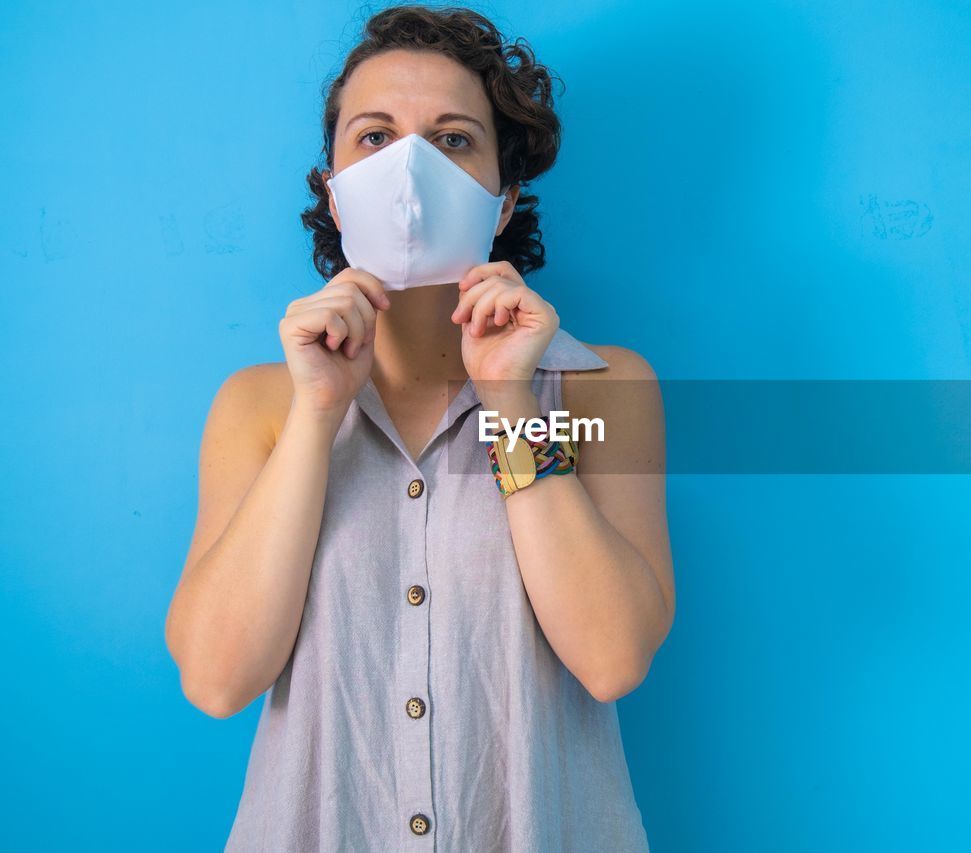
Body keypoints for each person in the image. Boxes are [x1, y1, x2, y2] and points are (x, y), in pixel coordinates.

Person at [162, 5, 673, 850]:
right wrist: (318, 410)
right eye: (373, 138)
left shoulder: (603, 386)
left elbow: (612, 655)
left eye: (453, 139)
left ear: (503, 199)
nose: (408, 169)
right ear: (333, 184)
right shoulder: (259, 404)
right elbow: (217, 679)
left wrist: (510, 402)